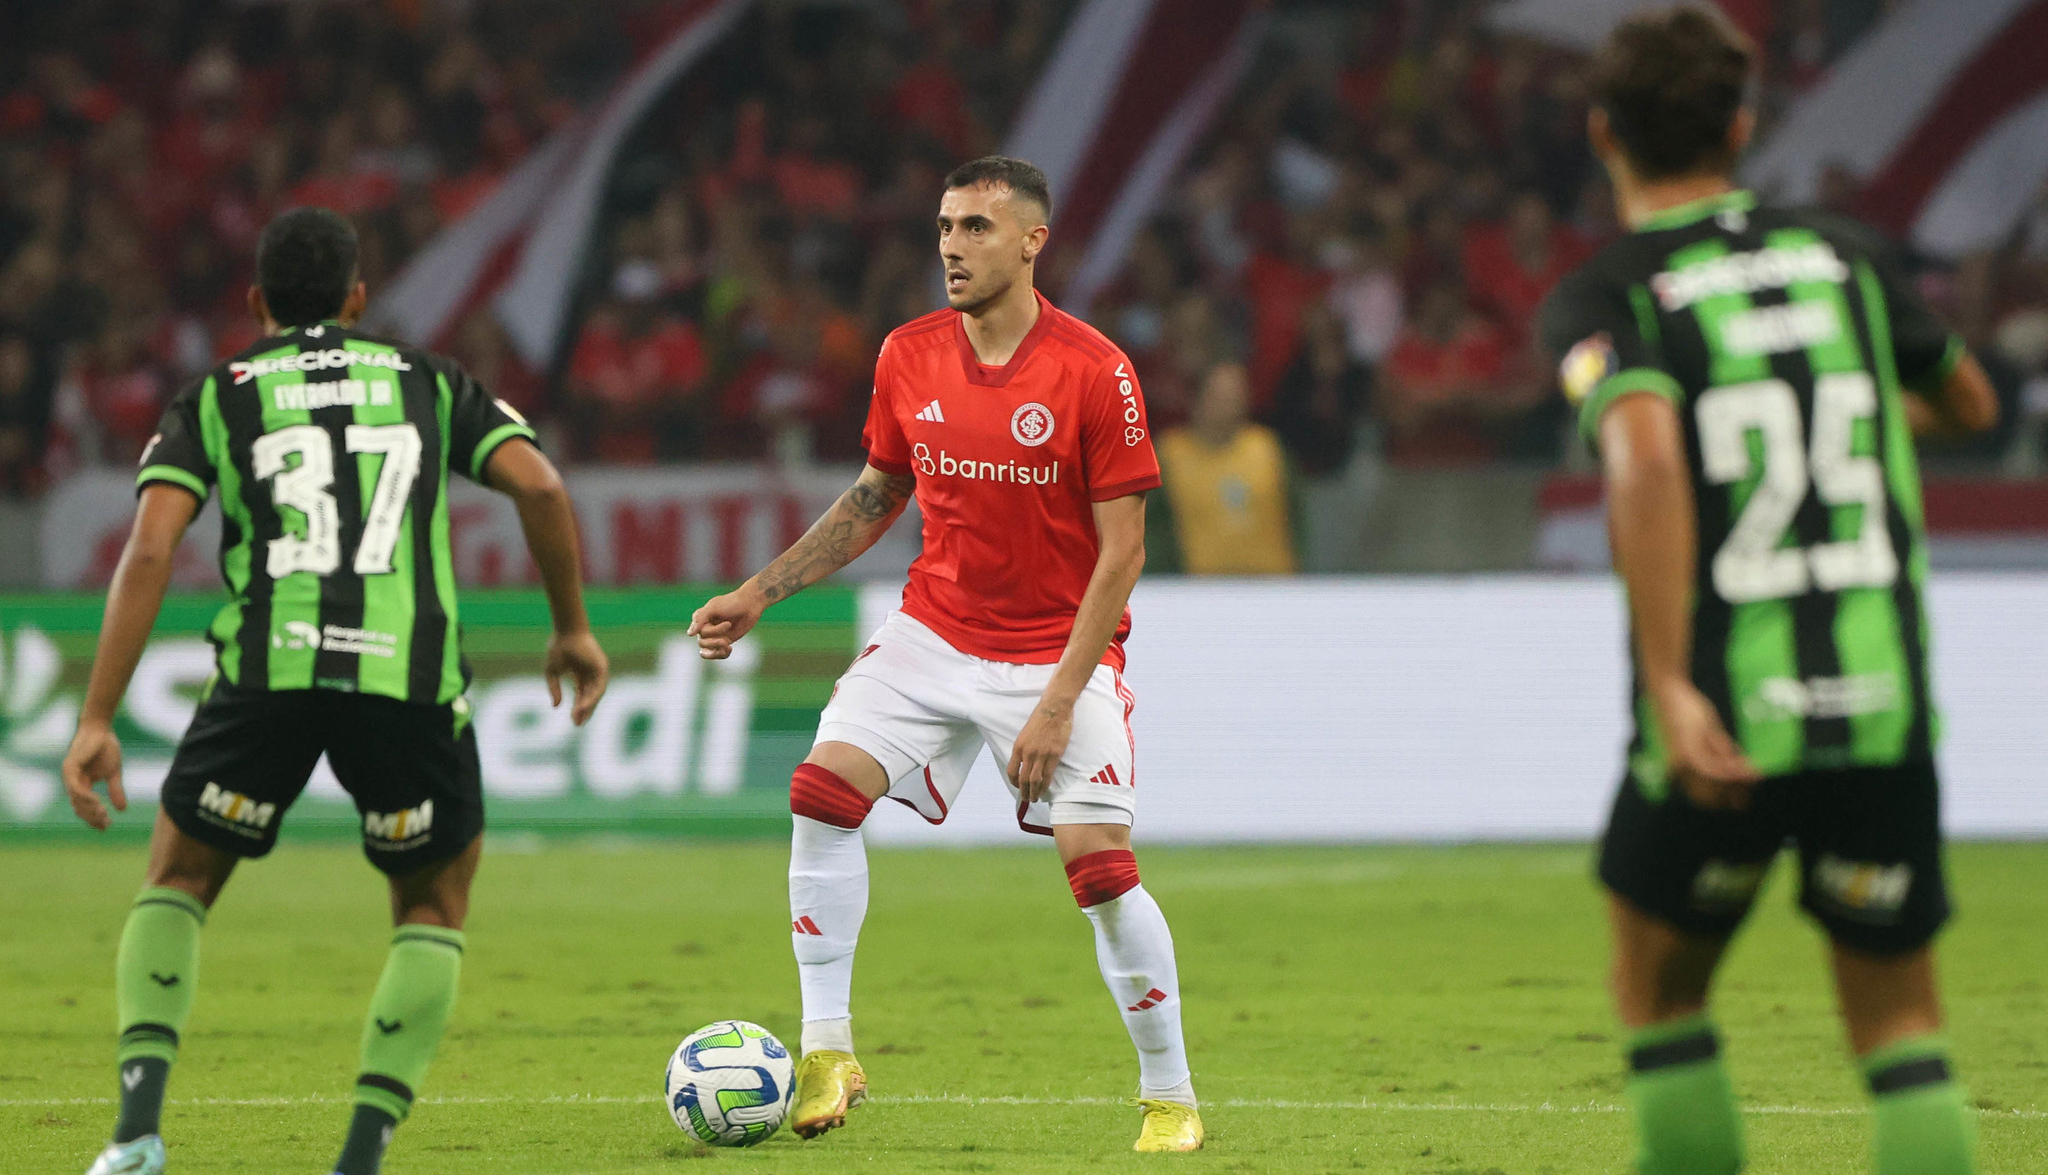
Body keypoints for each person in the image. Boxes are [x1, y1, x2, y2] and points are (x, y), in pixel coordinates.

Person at [1536, 10, 1999, 1175]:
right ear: (1740, 127)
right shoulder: (1846, 257)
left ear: (1602, 135)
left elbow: (1643, 456)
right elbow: (1970, 406)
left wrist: (1666, 682)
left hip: (1724, 707)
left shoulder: (1610, 292)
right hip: (1877, 699)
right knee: (1898, 1021)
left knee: (1658, 989)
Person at [61, 207, 610, 1175]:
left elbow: (150, 547)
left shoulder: (218, 394)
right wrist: (569, 626)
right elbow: (541, 488)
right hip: (406, 677)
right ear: (358, 298)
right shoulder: (429, 381)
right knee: (431, 905)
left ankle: (135, 1135)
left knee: (179, 878)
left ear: (256, 302)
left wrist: (98, 715)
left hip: (268, 670)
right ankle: (358, 1158)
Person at [688, 156, 1201, 1153]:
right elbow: (876, 494)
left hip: (1056, 652)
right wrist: (759, 591)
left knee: (1099, 872)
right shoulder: (907, 353)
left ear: (1031, 242)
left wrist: (1057, 701)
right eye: (943, 227)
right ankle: (828, 1047)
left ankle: (1169, 1093)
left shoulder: (1095, 370)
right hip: (934, 631)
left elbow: (1124, 553)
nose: (951, 248)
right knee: (820, 793)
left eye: (974, 228)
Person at [1152, 361, 1298, 574]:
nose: (1230, 405)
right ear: (1196, 398)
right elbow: (1151, 527)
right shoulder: (1170, 454)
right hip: (1199, 585)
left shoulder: (1268, 448)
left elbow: (1297, 515)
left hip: (1272, 581)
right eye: (1220, 396)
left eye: (1237, 395)